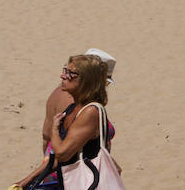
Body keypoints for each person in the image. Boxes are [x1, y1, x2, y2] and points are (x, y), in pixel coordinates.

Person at [14, 53, 116, 190]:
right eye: (64, 71)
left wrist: (55, 129)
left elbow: (62, 153)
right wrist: (25, 182)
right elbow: (58, 156)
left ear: (86, 81)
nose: (63, 76)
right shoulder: (72, 108)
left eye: (70, 73)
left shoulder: (90, 112)